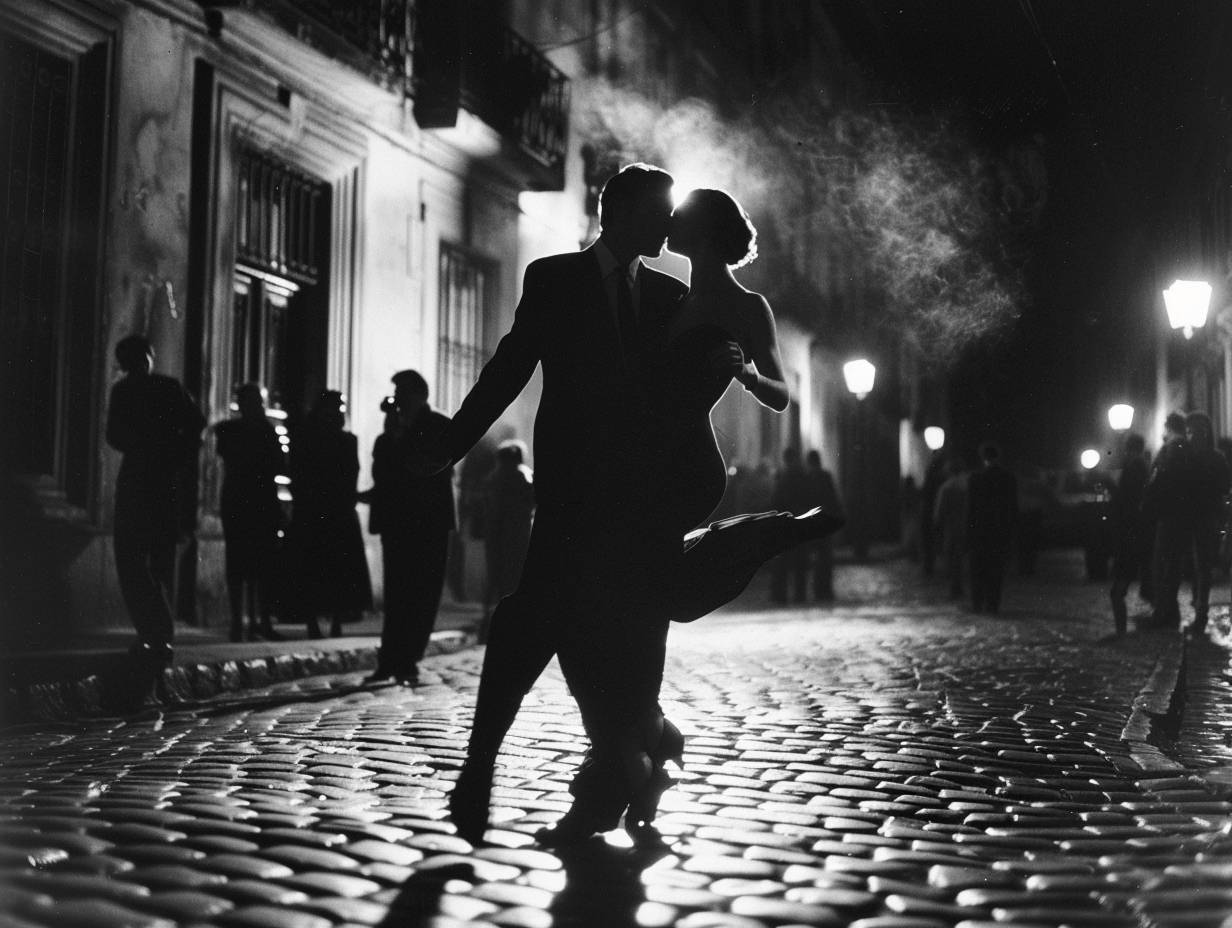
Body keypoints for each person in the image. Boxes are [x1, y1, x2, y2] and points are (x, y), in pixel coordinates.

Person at [433, 171, 837, 848]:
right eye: (656, 214)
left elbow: (727, 384)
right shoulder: (554, 278)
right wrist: (452, 441)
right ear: (617, 211)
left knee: (614, 632)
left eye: (674, 217)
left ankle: (613, 769)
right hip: (572, 493)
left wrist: (735, 371)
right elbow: (510, 367)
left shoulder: (669, 294)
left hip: (651, 493)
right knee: (542, 621)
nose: (665, 228)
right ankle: (580, 756)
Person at [105, 334, 205, 662]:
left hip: (138, 479)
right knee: (155, 558)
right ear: (149, 356)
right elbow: (196, 425)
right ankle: (158, 631)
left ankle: (152, 631)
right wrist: (176, 456)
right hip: (161, 481)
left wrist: (141, 446)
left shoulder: (125, 391)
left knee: (133, 558)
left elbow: (114, 435)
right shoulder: (168, 388)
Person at [367, 371, 455, 685]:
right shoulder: (392, 431)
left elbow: (429, 470)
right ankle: (390, 659)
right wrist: (392, 437)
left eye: (402, 392)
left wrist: (401, 440)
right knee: (396, 593)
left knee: (423, 594)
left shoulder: (440, 426)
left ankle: (408, 659)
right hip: (398, 523)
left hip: (429, 523)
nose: (398, 399)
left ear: (419, 394)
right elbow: (383, 474)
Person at [288, 390, 373, 639]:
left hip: (336, 512)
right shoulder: (307, 439)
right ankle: (313, 622)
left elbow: (351, 473)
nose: (336, 413)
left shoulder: (347, 440)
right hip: (317, 511)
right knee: (315, 569)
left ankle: (335, 621)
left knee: (337, 570)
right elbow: (298, 473)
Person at [214, 383, 283, 642]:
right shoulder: (257, 431)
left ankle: (252, 622)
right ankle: (247, 622)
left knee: (254, 564)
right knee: (248, 564)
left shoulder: (234, 431)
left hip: (247, 499)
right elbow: (278, 464)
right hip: (251, 499)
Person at [481, 439, 535, 634]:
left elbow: (489, 506)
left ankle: (490, 620)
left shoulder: (495, 476)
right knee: (515, 578)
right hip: (519, 532)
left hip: (497, 532)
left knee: (496, 575)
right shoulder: (525, 475)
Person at [1185, 411, 1230, 637]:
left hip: (1207, 519)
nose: (1195, 436)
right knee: (1196, 570)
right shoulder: (1186, 458)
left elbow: (1224, 489)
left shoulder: (1216, 458)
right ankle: (1198, 611)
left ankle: (1201, 614)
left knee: (1203, 569)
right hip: (1189, 519)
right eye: (1191, 431)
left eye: (1199, 431)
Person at [1144, 412, 1191, 629]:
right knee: (1171, 563)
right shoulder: (1183, 446)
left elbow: (1162, 476)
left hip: (1169, 513)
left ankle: (1165, 612)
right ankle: (1169, 610)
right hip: (1179, 512)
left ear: (1168, 427)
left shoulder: (1173, 446)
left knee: (1163, 563)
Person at [966, 441, 1018, 614]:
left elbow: (971, 508)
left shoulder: (976, 478)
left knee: (978, 570)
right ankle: (993, 604)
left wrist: (970, 531)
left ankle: (977, 603)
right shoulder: (1008, 478)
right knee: (996, 570)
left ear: (983, 457)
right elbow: (1012, 507)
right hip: (999, 531)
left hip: (980, 531)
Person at [1108, 433, 1150, 636]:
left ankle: (1121, 631)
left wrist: (1110, 486)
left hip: (1130, 532)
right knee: (1120, 587)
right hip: (1133, 531)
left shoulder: (1135, 467)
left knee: (1118, 588)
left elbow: (1126, 498)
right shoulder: (1140, 466)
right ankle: (1121, 630)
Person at [770, 446, 813, 603]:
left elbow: (777, 500)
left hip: (786, 523)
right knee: (800, 561)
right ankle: (800, 595)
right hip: (800, 522)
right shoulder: (803, 475)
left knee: (783, 561)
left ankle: (780, 595)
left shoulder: (784, 477)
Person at [806, 449, 844, 600]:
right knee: (825, 558)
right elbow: (833, 499)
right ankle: (825, 590)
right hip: (824, 522)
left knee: (817, 559)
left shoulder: (808, 478)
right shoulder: (825, 476)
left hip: (813, 524)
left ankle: (819, 590)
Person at [933, 456, 969, 600]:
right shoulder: (967, 485)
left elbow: (940, 510)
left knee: (952, 556)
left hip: (951, 526)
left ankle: (955, 587)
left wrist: (937, 523)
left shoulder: (947, 487)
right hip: (966, 524)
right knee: (961, 557)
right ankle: (959, 586)